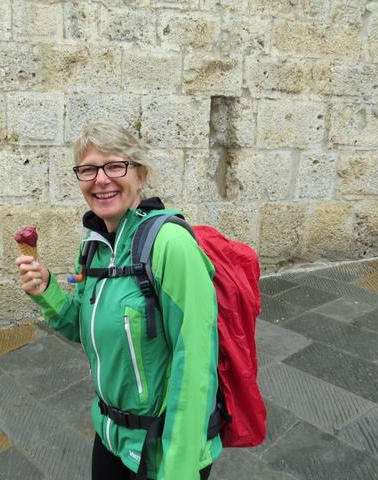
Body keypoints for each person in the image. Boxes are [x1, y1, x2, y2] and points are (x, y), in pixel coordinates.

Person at [16, 120, 221, 479]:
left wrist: (179, 469)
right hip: (110, 436)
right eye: (88, 169)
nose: (101, 179)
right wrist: (47, 289)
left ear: (140, 175)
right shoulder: (92, 246)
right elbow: (81, 327)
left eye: (115, 166)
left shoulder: (171, 245)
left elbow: (196, 365)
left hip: (162, 449)